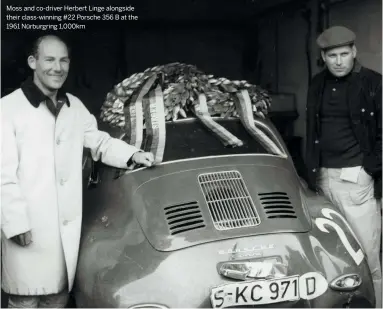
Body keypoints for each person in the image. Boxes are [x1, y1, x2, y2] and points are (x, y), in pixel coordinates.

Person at [1, 35, 155, 308]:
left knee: (57, 298)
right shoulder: (7, 108)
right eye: (49, 59)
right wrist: (15, 223)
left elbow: (99, 141)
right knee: (25, 299)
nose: (57, 68)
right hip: (27, 229)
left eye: (63, 60)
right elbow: (3, 174)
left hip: (62, 239)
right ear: (32, 62)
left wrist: (132, 154)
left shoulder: (74, 106)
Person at [305, 26, 382, 307]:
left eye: (344, 54)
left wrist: (369, 169)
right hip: (323, 178)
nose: (339, 61)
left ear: (354, 52)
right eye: (332, 55)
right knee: (331, 255)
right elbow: (312, 128)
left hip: (356, 180)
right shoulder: (317, 84)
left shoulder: (373, 83)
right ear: (323, 57)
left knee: (367, 255)